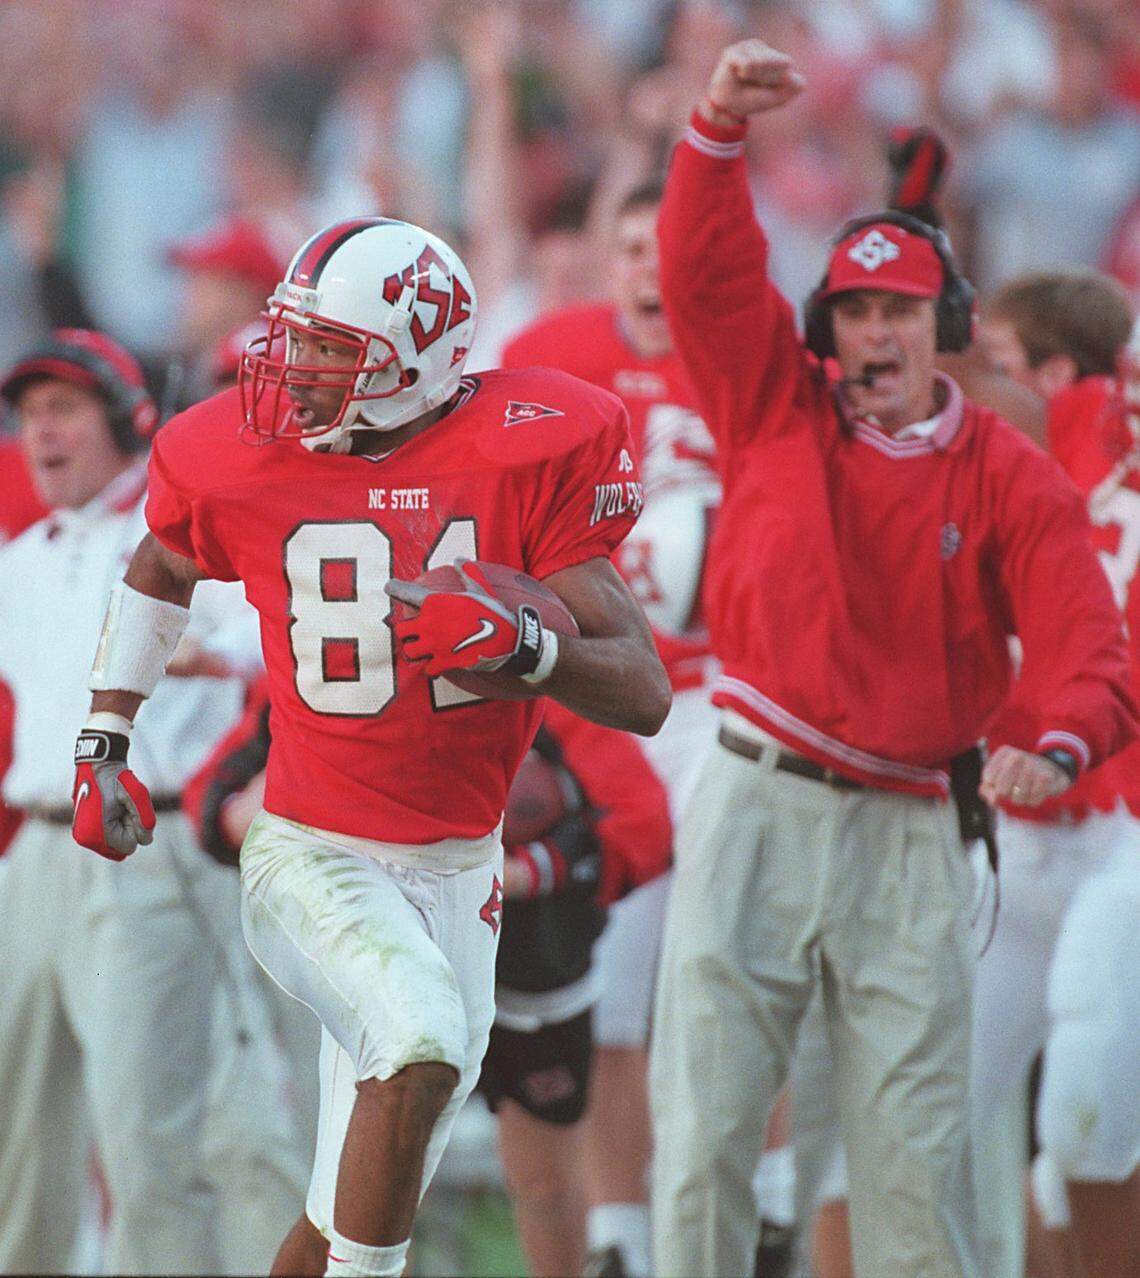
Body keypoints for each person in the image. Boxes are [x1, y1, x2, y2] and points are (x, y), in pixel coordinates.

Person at [70, 216, 670, 1278]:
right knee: (420, 1045)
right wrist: (104, 736)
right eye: (294, 339)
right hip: (314, 848)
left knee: (349, 1198)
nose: (291, 370)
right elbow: (161, 564)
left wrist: (527, 647)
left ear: (414, 361)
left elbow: (644, 689)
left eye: (327, 349)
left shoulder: (525, 451)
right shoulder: (241, 454)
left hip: (461, 869)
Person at [648, 39, 1136, 1278]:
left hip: (913, 827)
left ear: (945, 326)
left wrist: (1059, 739)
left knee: (914, 1162)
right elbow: (705, 274)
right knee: (703, 1136)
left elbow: (1090, 643)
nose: (876, 333)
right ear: (827, 326)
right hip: (755, 798)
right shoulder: (771, 401)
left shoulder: (1008, 474)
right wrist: (714, 129)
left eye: (900, 311)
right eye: (856, 311)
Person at [0, 328, 306, 1274]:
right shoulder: (23, 555)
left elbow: (276, 629)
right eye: (30, 413)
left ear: (130, 420)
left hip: (149, 841)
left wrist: (212, 654)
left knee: (150, 1138)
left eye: (64, 408)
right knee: (17, 1134)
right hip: (34, 850)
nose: (42, 432)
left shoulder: (179, 531)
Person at [184, 689, 673, 1278]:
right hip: (382, 956)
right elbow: (212, 801)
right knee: (363, 1188)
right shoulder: (326, 679)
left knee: (545, 1185)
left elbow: (641, 822)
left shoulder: (538, 685)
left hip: (528, 961)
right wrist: (269, 809)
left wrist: (528, 870)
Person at [501, 176, 723, 1278]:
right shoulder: (550, 356)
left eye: (668, 247)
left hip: (726, 698)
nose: (649, 269)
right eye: (631, 247)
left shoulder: (753, 364)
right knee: (618, 988)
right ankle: (621, 1239)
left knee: (734, 976)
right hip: (602, 707)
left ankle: (770, 1210)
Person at [977, 271, 1140, 1278]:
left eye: (994, 364)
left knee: (1083, 1123)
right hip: (1016, 833)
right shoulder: (1019, 458)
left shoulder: (1080, 432)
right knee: (908, 1117)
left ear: (1054, 376)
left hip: (1117, 833)